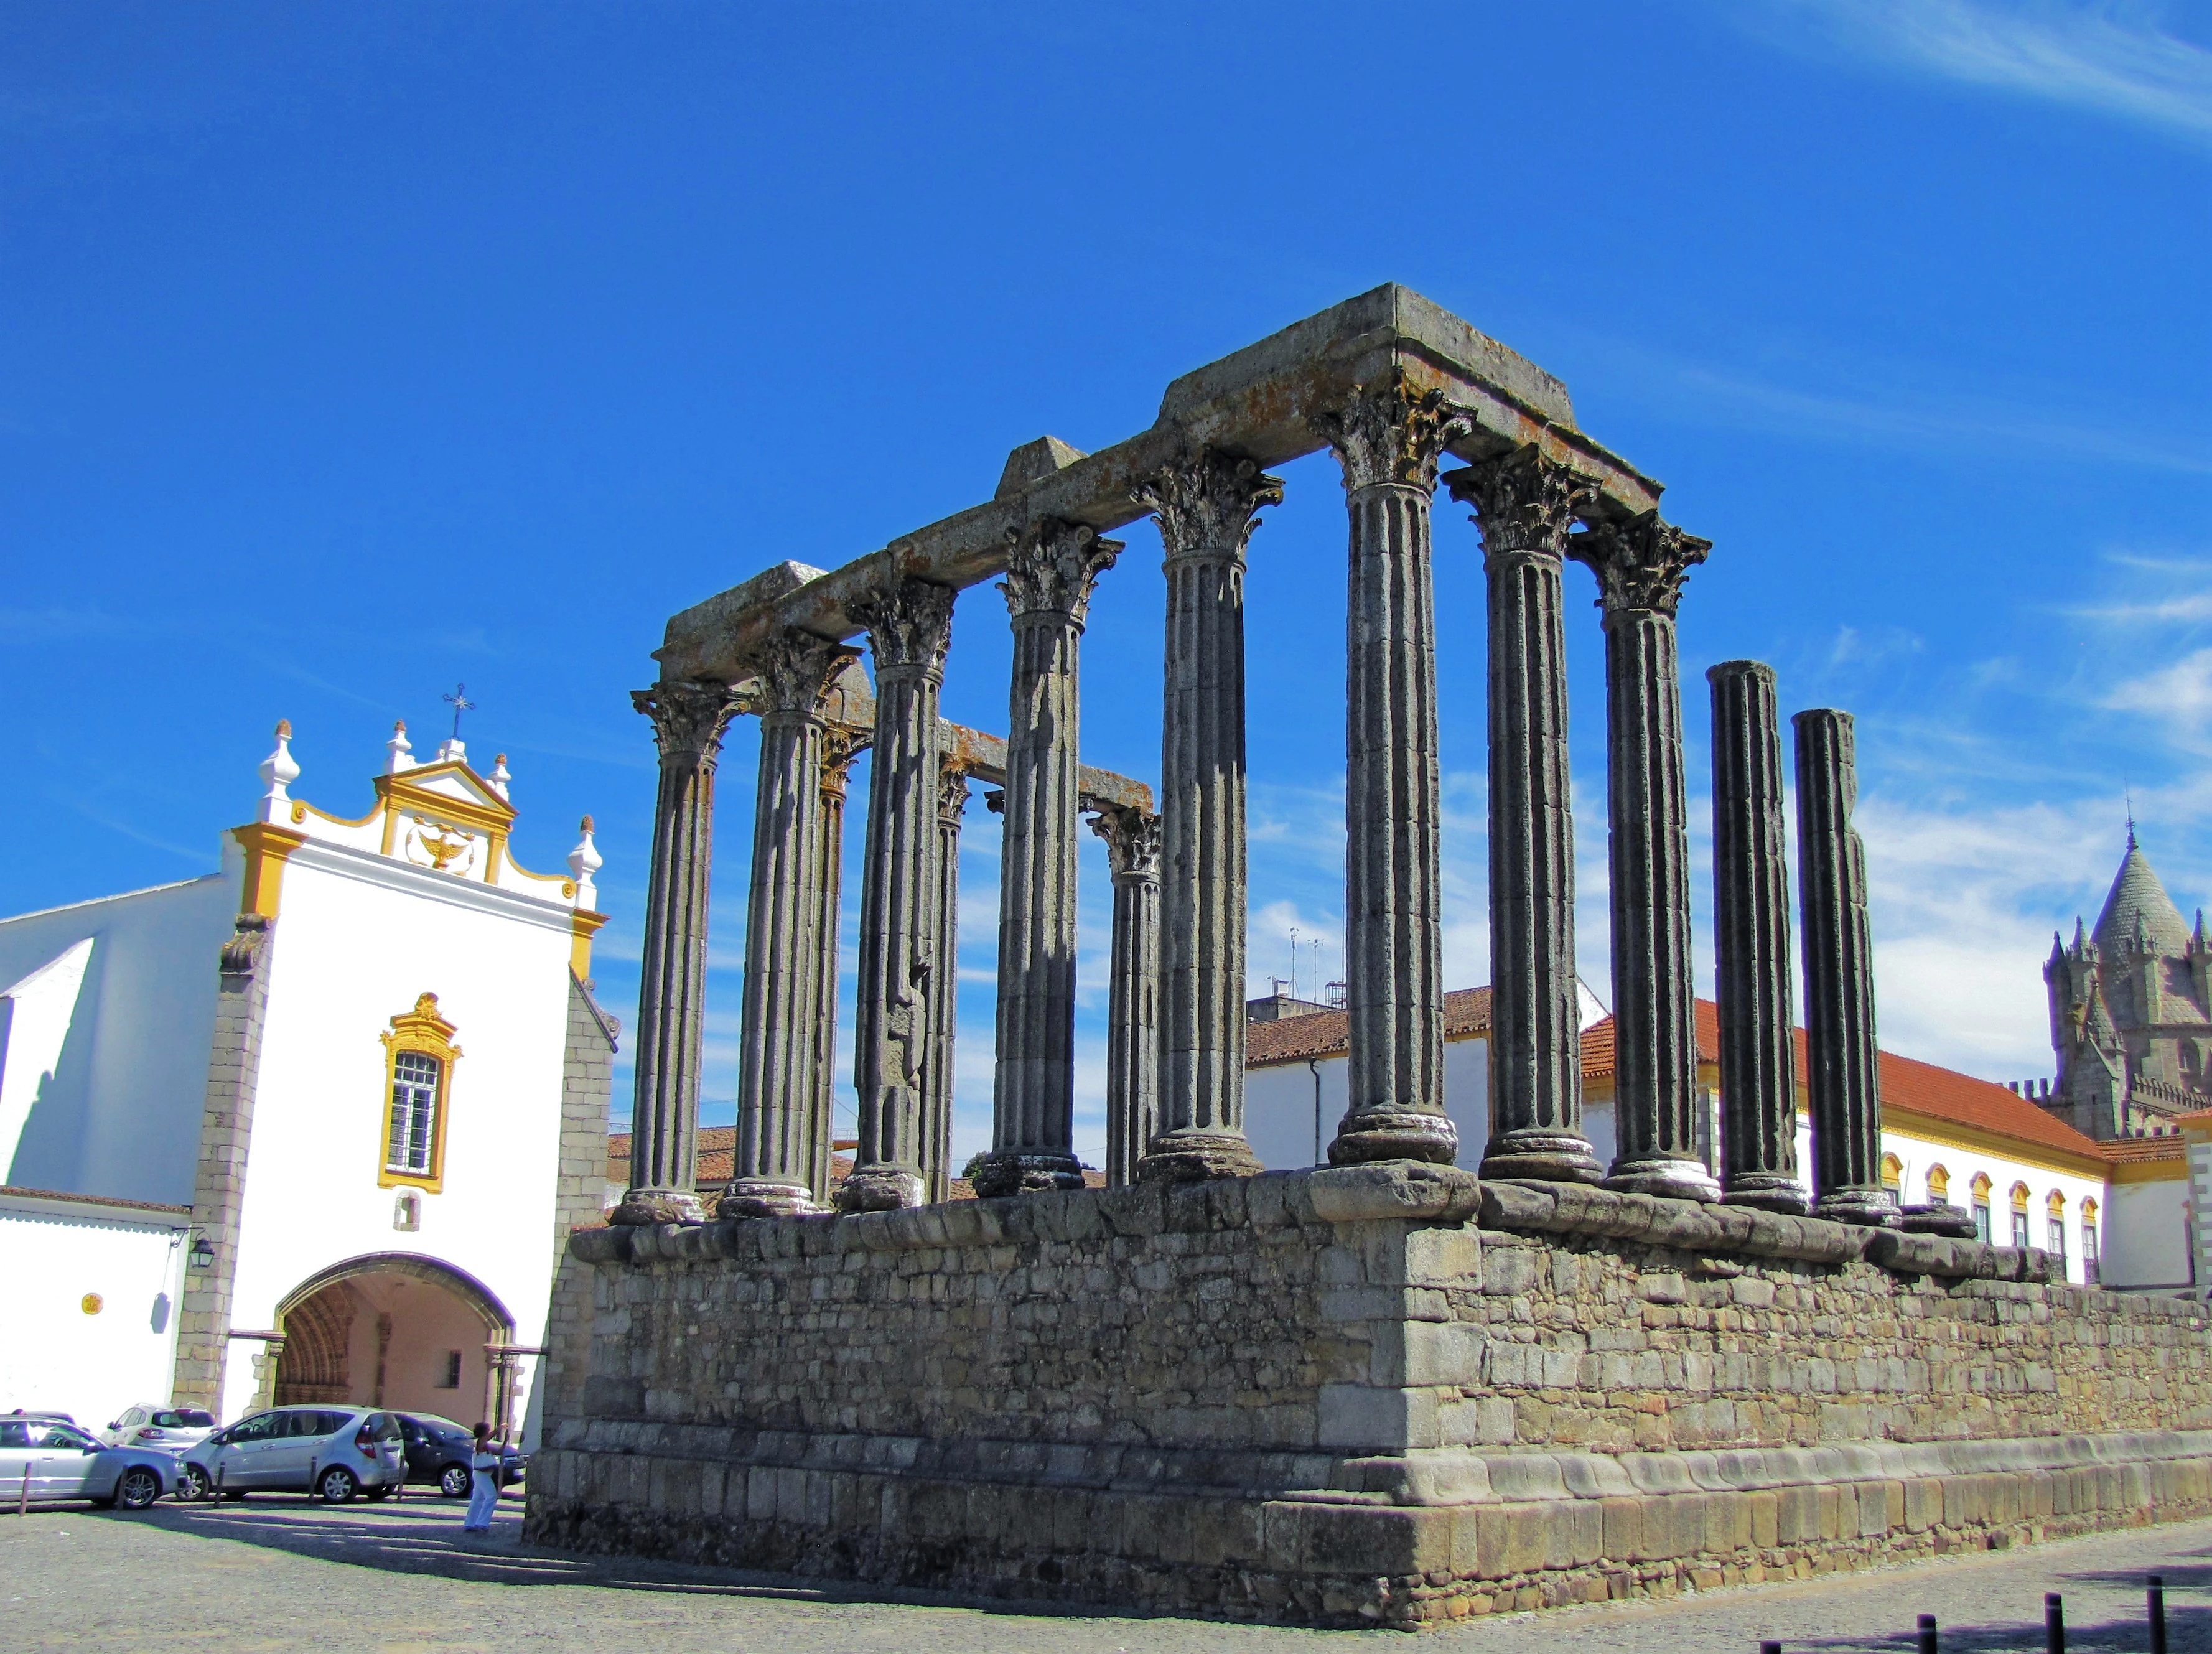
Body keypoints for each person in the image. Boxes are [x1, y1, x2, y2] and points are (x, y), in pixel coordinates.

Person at [460, 1423, 500, 1533]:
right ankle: (482, 1522)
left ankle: (470, 1523)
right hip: (482, 1474)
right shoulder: (480, 1442)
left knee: (477, 1498)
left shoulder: (485, 1444)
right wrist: (499, 1429)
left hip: (482, 1474)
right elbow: (490, 1436)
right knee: (491, 1496)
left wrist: (506, 1440)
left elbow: (499, 1451)